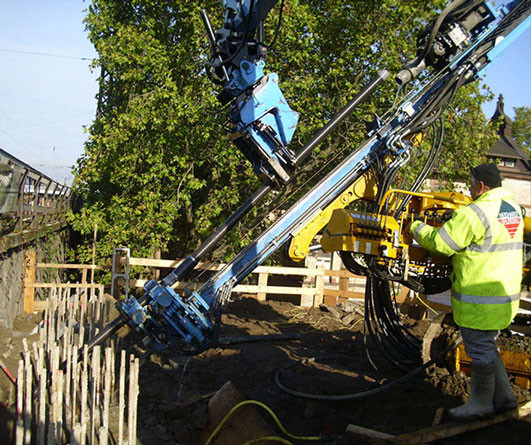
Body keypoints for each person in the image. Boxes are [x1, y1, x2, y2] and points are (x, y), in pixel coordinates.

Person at [409, 162, 524, 419]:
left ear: (482, 186)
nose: (469, 189)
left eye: (471, 184)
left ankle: (481, 404)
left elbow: (442, 244)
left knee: (480, 351)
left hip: (480, 299)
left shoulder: (474, 213)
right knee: (488, 347)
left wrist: (416, 227)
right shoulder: (513, 208)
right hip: (504, 297)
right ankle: (504, 399)